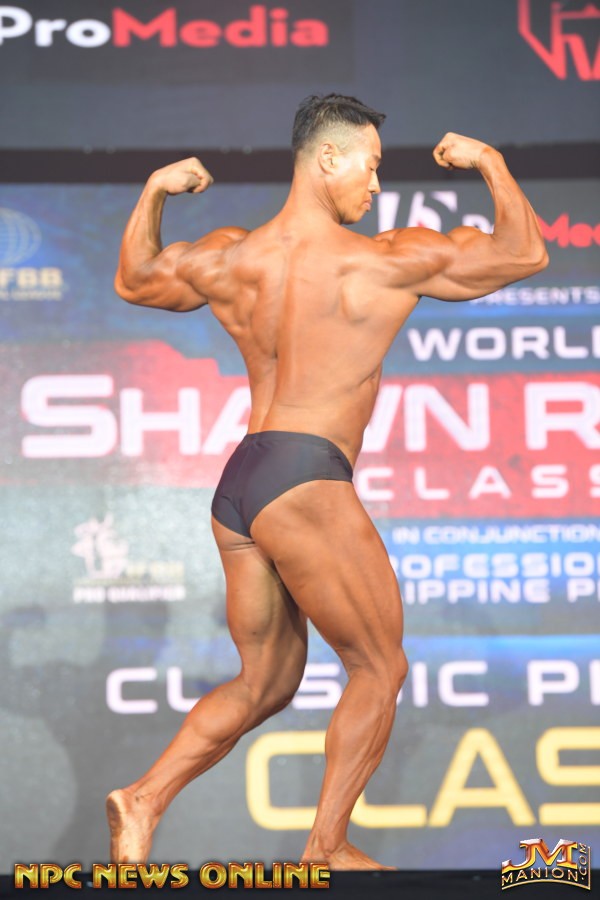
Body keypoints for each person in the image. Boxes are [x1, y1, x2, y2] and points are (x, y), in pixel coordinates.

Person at [107, 94, 548, 870]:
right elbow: (522, 255)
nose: (376, 185)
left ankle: (142, 799)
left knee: (267, 681)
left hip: (243, 483)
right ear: (328, 158)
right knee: (380, 666)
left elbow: (137, 281)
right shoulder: (380, 260)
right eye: (370, 166)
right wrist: (489, 161)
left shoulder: (231, 258)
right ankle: (325, 846)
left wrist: (153, 192)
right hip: (307, 475)